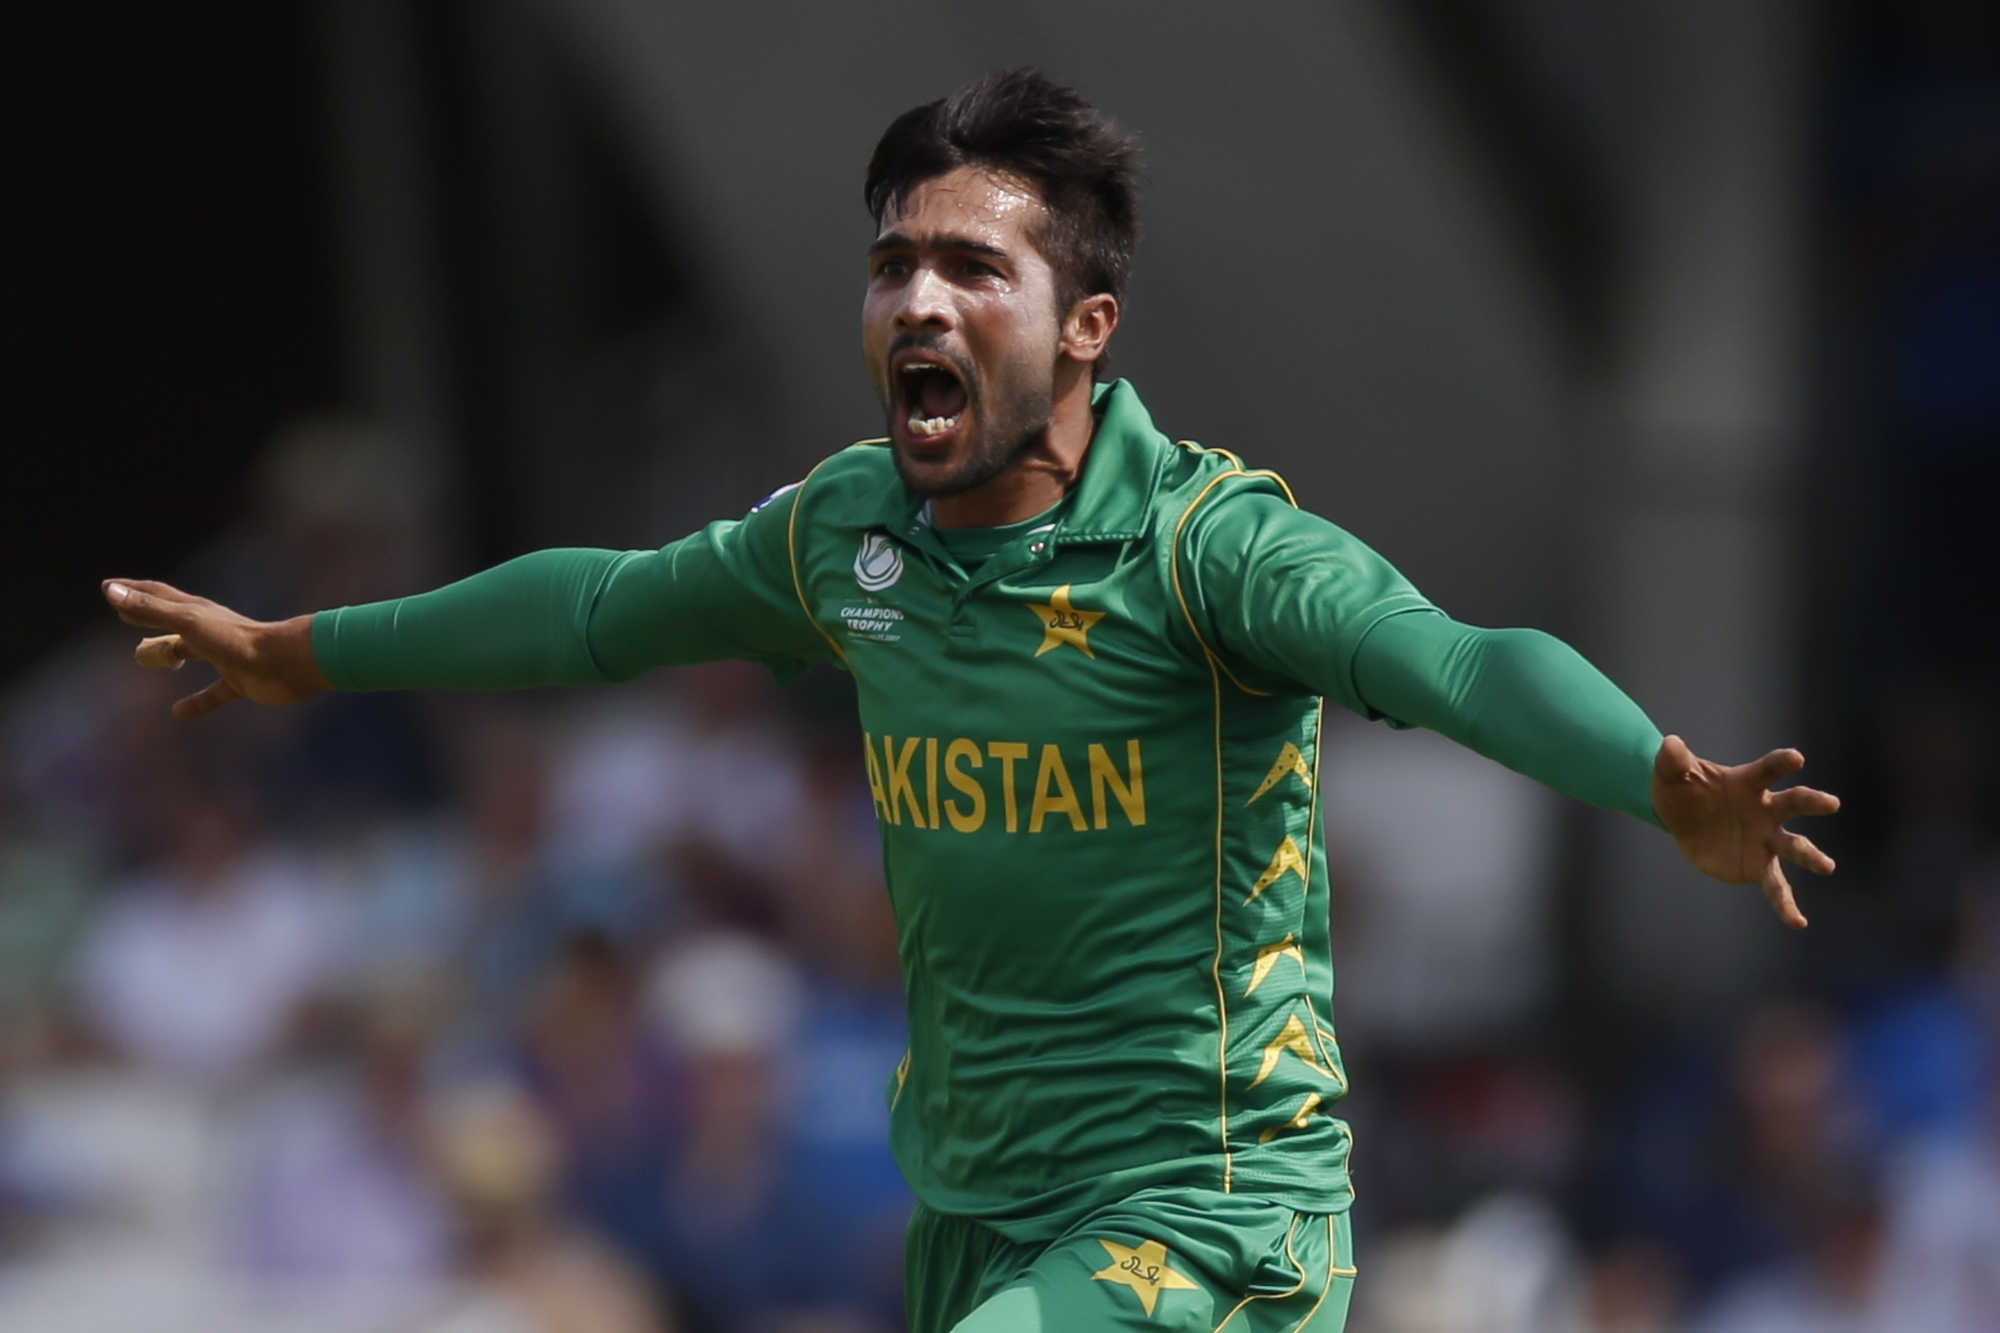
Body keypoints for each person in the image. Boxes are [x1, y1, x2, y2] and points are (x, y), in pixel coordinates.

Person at [101, 68, 1837, 1333]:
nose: (917, 297)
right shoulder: (845, 531)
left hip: (1205, 1213)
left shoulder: (1212, 552)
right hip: (977, 1212)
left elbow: (1461, 661)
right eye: (893, 264)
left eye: (972, 268)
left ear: (1086, 325)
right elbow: (603, 611)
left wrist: (1652, 777)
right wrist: (307, 649)